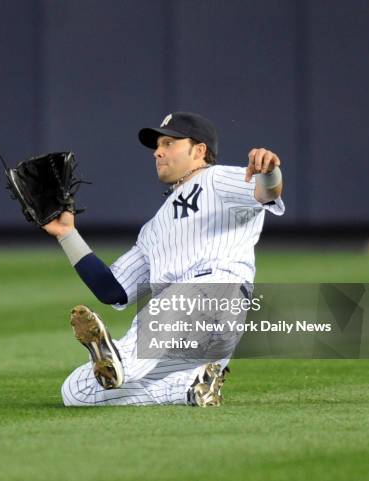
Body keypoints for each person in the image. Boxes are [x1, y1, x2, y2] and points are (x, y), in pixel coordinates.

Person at [42, 112, 285, 406]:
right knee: (77, 392)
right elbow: (113, 290)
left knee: (135, 349)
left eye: (169, 143)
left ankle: (116, 358)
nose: (158, 151)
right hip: (184, 330)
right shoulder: (153, 231)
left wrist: (269, 169)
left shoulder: (217, 179)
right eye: (158, 145)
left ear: (199, 150)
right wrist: (67, 234)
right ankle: (189, 387)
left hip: (212, 291)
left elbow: (265, 191)